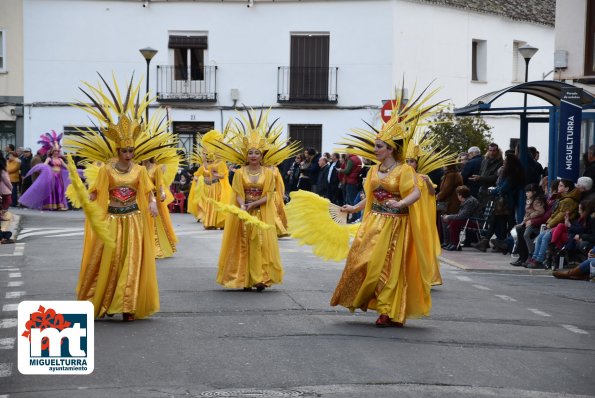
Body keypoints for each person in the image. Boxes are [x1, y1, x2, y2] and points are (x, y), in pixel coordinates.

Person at [330, 84, 443, 327]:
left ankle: (389, 310)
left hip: (396, 225)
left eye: (379, 146)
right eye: (375, 146)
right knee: (364, 262)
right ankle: (367, 300)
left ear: (391, 149)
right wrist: (354, 208)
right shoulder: (372, 170)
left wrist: (400, 202)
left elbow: (415, 193)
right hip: (373, 222)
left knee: (390, 268)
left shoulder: (404, 170)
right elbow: (369, 198)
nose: (375, 150)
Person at [66, 75, 169, 321]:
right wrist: (85, 196)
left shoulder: (140, 170)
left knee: (131, 262)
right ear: (117, 150)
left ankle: (127, 305)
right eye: (125, 150)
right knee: (107, 261)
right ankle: (102, 300)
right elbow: (97, 193)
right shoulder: (106, 170)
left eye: (132, 150)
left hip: (133, 219)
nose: (129, 154)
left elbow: (148, 192)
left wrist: (154, 204)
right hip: (112, 219)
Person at [214, 109, 299, 291]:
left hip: (260, 212)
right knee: (243, 243)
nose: (253, 155)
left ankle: (260, 278)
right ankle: (244, 278)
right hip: (243, 212)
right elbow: (237, 190)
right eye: (250, 152)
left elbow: (269, 194)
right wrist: (243, 204)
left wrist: (253, 204)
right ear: (246, 155)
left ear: (262, 156)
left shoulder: (268, 173)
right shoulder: (239, 172)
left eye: (257, 153)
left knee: (259, 243)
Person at [189, 130, 232, 229]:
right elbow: (206, 168)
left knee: (217, 205)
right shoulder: (212, 164)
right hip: (211, 187)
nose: (213, 155)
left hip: (218, 187)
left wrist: (215, 174)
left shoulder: (221, 164)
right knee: (211, 205)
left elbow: (223, 175)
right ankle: (210, 222)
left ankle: (220, 223)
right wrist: (204, 157)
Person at [142, 158, 178, 258]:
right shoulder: (137, 168)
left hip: (153, 200)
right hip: (140, 200)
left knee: (154, 224)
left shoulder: (156, 168)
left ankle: (156, 248)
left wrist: (162, 193)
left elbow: (160, 183)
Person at [441, 185, 482, 250]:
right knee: (451, 220)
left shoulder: (470, 201)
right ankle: (451, 243)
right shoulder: (467, 200)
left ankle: (455, 244)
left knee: (455, 222)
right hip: (469, 220)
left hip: (475, 222)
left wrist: (448, 216)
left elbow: (462, 216)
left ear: (460, 195)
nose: (457, 196)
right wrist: (449, 217)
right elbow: (461, 215)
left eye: (458, 194)